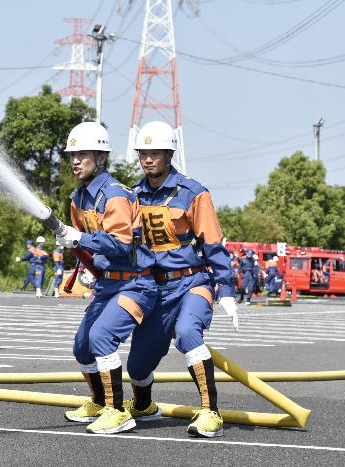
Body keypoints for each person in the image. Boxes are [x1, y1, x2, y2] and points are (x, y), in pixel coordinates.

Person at [123, 120, 238, 438]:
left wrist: (226, 288)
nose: (148, 159)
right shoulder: (132, 197)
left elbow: (213, 242)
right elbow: (124, 244)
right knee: (137, 367)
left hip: (192, 283)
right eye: (143, 153)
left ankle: (210, 413)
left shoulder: (193, 193)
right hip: (154, 289)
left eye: (155, 152)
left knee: (188, 333)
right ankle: (143, 406)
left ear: (169, 153)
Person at [56, 121, 157, 434]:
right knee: (82, 347)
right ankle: (99, 402)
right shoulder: (79, 198)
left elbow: (121, 242)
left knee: (101, 337)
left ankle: (118, 411)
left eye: (83, 154)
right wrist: (77, 247)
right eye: (71, 154)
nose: (75, 160)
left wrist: (79, 239)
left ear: (101, 158)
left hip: (135, 283)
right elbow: (82, 241)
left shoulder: (114, 195)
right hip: (107, 283)